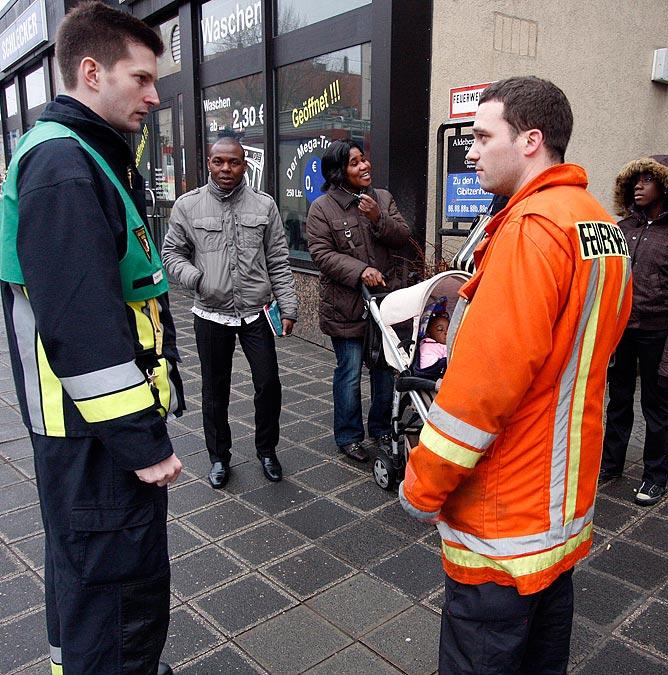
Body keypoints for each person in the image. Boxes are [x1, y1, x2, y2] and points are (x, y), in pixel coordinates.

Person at [399, 76, 632, 674]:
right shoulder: (598, 224)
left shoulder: (531, 228)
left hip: (503, 516)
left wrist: (422, 486)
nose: (470, 150)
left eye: (481, 136)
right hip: (559, 508)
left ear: (530, 141)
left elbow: (481, 390)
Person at [0, 3, 183, 672]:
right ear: (90, 70)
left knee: (87, 586)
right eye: (140, 78)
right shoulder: (66, 167)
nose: (154, 95)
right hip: (97, 440)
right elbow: (83, 323)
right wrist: (142, 436)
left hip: (86, 435)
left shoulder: (77, 155)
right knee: (119, 599)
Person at [162, 136, 297, 489]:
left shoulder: (264, 205)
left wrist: (289, 306)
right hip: (210, 313)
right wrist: (197, 278)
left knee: (269, 384)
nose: (226, 169)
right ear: (209, 162)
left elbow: (279, 262)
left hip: (256, 312)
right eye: (219, 161)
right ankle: (219, 457)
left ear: (244, 165)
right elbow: (171, 254)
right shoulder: (188, 206)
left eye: (234, 162)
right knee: (214, 390)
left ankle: (266, 450)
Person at [598, 155, 668, 506]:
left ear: (667, 185)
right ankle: (610, 465)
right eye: (635, 180)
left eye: (647, 180)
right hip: (620, 331)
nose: (638, 186)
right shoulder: (622, 228)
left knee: (656, 407)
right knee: (618, 401)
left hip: (657, 334)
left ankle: (655, 477)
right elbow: (605, 282)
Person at [306, 139, 411, 462]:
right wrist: (360, 269)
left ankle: (380, 429)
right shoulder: (322, 208)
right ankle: (349, 437)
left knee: (383, 372)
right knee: (349, 373)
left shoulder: (382, 198)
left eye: (363, 159)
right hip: (346, 306)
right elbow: (321, 254)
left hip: (384, 305)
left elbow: (403, 236)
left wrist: (379, 217)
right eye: (354, 163)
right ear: (339, 172)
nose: (364, 166)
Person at [416, 313, 449, 378]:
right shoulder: (427, 347)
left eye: (449, 329)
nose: (446, 332)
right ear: (428, 333)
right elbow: (428, 368)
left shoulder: (443, 344)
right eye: (440, 329)